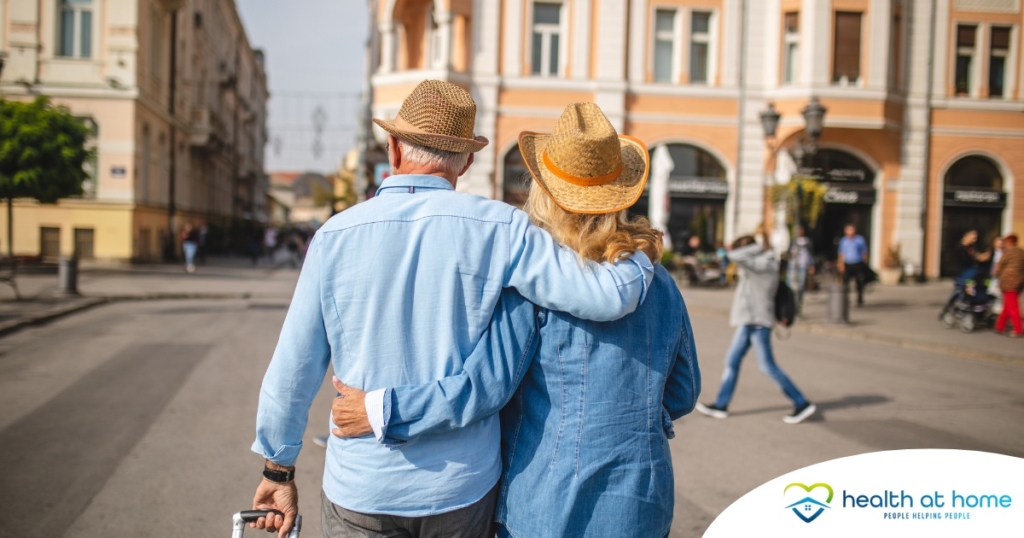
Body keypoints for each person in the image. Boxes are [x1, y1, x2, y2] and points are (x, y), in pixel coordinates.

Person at [248, 82, 654, 538]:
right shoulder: (502, 228)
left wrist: (277, 470)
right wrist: (639, 249)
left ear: (394, 149)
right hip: (461, 487)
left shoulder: (334, 236)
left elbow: (291, 372)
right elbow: (606, 297)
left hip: (362, 486)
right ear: (467, 162)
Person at [329, 102, 700, 538]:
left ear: (544, 190)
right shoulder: (659, 283)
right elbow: (682, 391)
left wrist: (382, 409)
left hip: (547, 499)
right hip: (642, 501)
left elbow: (482, 389)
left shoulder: (536, 285)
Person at [695, 233, 816, 424]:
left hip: (758, 322)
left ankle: (801, 403)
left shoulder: (764, 265)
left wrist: (755, 247)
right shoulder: (756, 264)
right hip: (748, 321)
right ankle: (721, 404)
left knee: (767, 366)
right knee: (732, 360)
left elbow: (735, 256)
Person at [941, 230, 993, 318]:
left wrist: (982, 258)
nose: (974, 240)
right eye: (973, 238)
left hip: (971, 274)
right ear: (966, 236)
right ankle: (950, 308)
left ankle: (976, 307)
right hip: (962, 274)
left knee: (975, 289)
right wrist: (977, 258)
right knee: (963, 291)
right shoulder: (960, 248)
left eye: (975, 238)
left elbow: (976, 257)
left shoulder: (971, 248)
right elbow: (964, 260)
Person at [994, 233, 1023, 337]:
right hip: (1019, 282)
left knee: (1013, 307)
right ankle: (999, 326)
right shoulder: (1021, 252)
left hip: (1008, 282)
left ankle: (1018, 329)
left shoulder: (1008, 252)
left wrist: (995, 274)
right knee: (1008, 304)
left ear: (1009, 242)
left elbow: (999, 266)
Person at [837, 224, 869, 307]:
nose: (850, 232)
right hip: (847, 263)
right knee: (845, 282)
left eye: (851, 230)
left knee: (859, 281)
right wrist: (841, 264)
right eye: (848, 230)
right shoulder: (844, 241)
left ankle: (859, 298)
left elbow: (864, 252)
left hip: (857, 262)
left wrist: (865, 262)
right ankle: (845, 299)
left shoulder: (859, 240)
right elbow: (841, 253)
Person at [787, 225, 814, 313]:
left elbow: (811, 254)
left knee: (801, 286)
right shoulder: (793, 241)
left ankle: (799, 304)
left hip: (803, 265)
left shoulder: (808, 241)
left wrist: (811, 265)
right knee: (790, 285)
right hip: (793, 266)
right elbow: (788, 253)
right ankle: (791, 305)